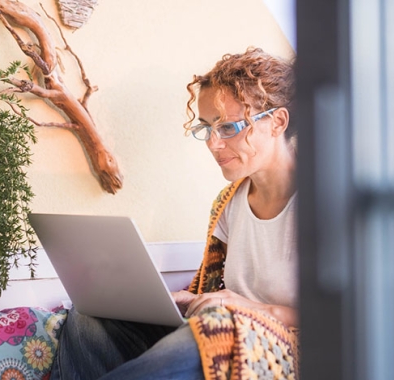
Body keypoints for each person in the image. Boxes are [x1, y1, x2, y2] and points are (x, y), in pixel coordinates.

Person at [50, 46, 299, 380]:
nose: (213, 143)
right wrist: (186, 299)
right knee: (88, 319)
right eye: (207, 128)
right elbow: (214, 290)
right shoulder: (229, 202)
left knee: (205, 338)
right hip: (221, 329)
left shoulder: (324, 204)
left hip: (282, 348)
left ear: (277, 122)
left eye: (227, 128)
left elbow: (351, 318)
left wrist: (251, 309)